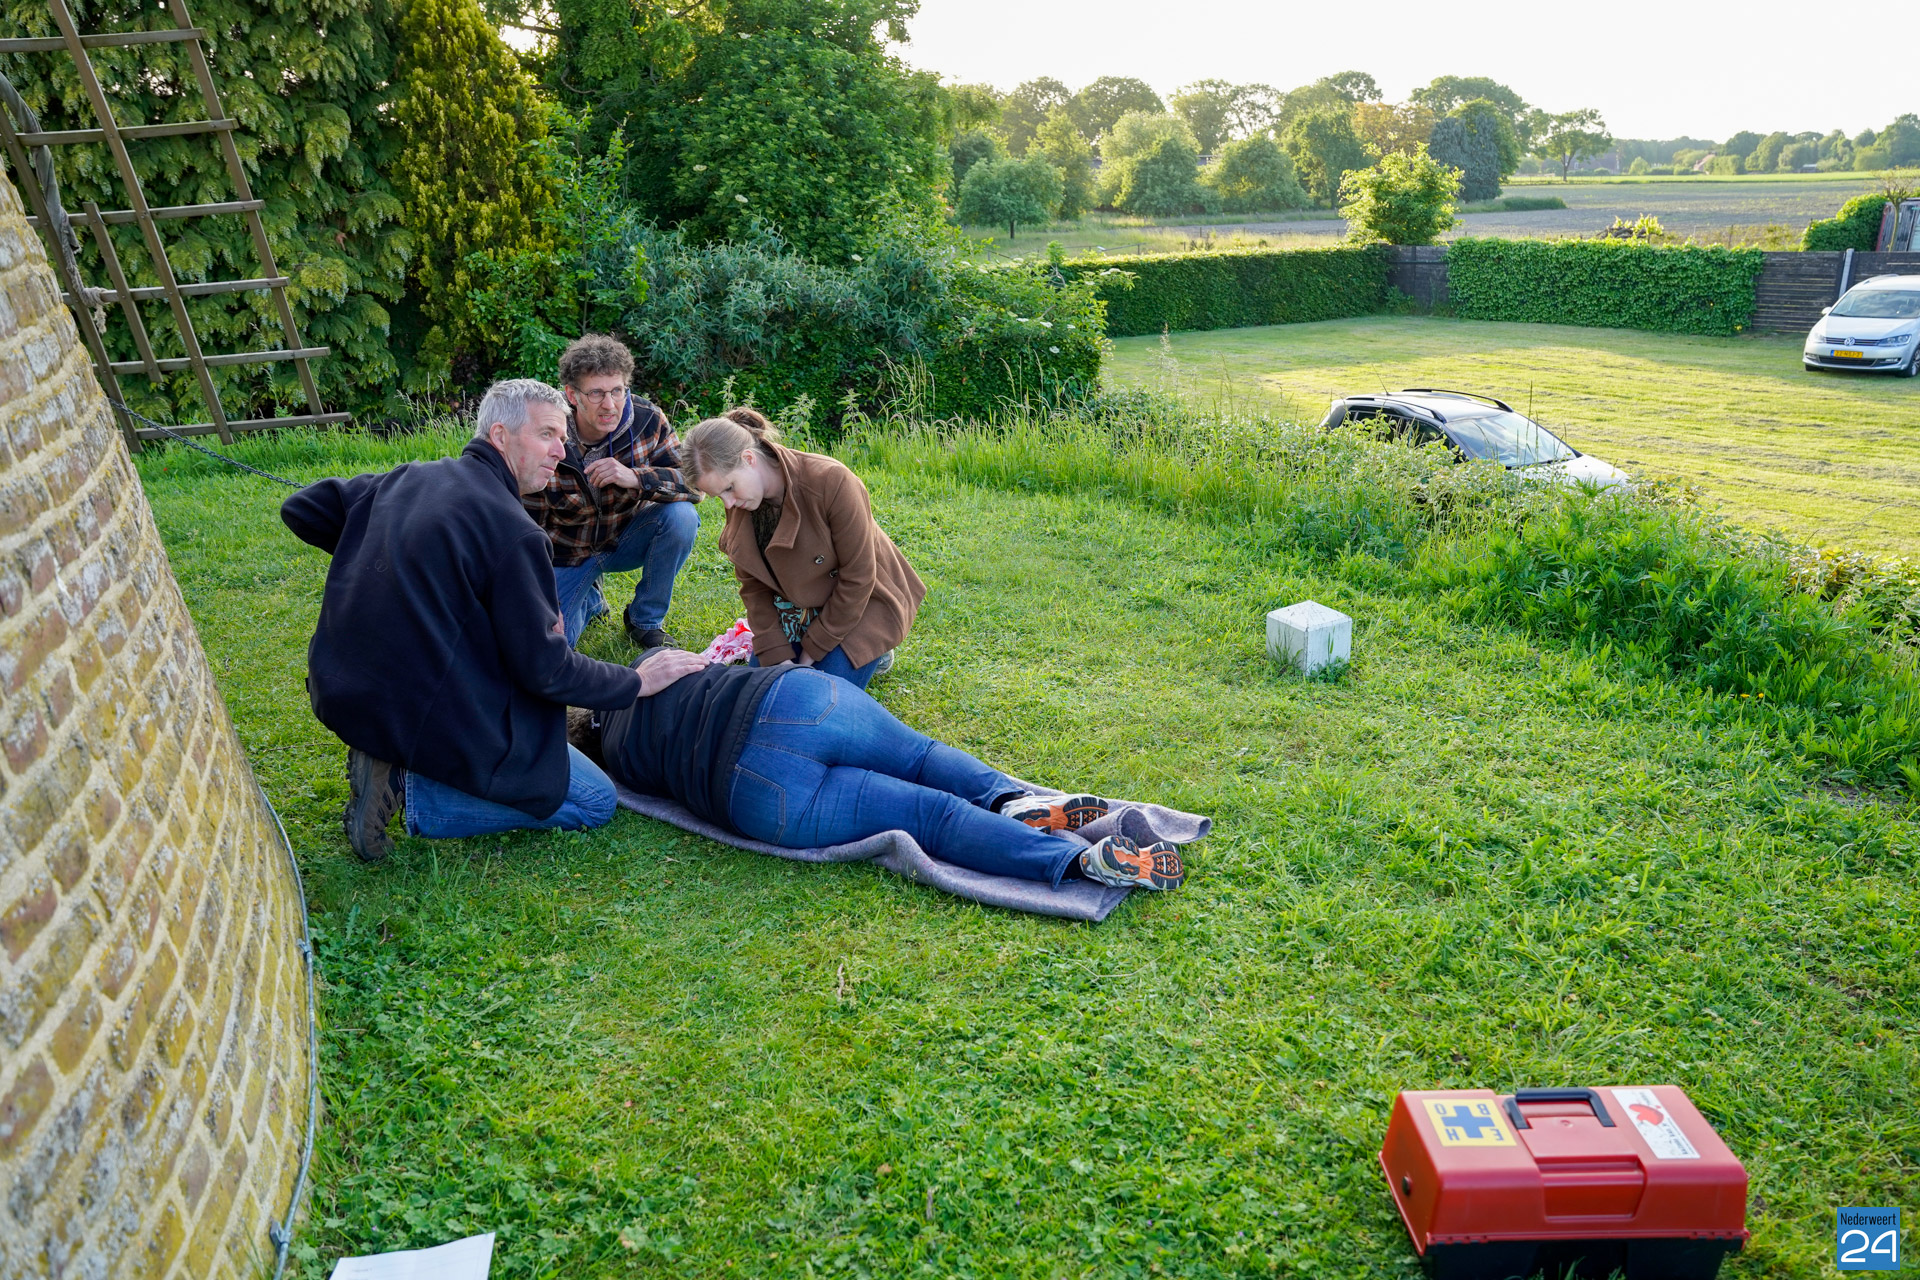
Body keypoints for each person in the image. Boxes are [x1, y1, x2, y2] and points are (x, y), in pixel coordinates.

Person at [282, 379, 666, 861]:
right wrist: (636, 682)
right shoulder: (513, 532)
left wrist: (391, 565)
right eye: (547, 434)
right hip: (419, 707)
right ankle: (412, 786)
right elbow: (548, 671)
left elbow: (302, 507)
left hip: (341, 688)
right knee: (595, 800)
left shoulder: (405, 478)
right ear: (500, 435)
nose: (561, 451)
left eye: (563, 437)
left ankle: (394, 755)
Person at [572, 650, 1188, 891]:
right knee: (921, 757)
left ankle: (1080, 862)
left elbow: (661, 787)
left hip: (756, 788)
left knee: (930, 818)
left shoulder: (620, 760)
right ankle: (1009, 798)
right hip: (794, 700)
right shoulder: (650, 663)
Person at [679, 409, 923, 690]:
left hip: (861, 602)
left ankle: (875, 650)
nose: (728, 504)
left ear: (749, 459)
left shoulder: (832, 480)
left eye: (729, 488)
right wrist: (777, 655)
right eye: (719, 496)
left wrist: (811, 653)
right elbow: (754, 588)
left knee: (814, 696)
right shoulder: (741, 499)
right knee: (761, 693)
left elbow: (859, 577)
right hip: (795, 607)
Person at [523, 334, 699, 649]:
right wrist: (537, 589)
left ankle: (645, 620)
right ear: (572, 395)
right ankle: (590, 600)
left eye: (617, 391)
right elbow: (522, 518)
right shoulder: (546, 429)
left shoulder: (648, 420)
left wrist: (636, 478)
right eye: (596, 393)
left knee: (681, 516)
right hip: (566, 554)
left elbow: (694, 481)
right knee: (552, 645)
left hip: (624, 539)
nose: (610, 404)